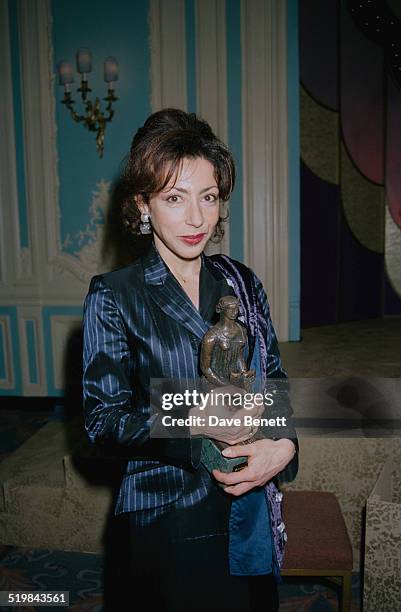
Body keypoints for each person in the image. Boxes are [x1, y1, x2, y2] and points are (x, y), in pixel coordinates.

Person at [82, 108, 298, 612]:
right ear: (143, 204)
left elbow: (275, 380)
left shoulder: (242, 282)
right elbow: (102, 423)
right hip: (163, 518)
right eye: (175, 199)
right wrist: (195, 414)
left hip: (246, 506)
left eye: (208, 197)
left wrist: (283, 444)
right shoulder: (115, 295)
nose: (197, 218)